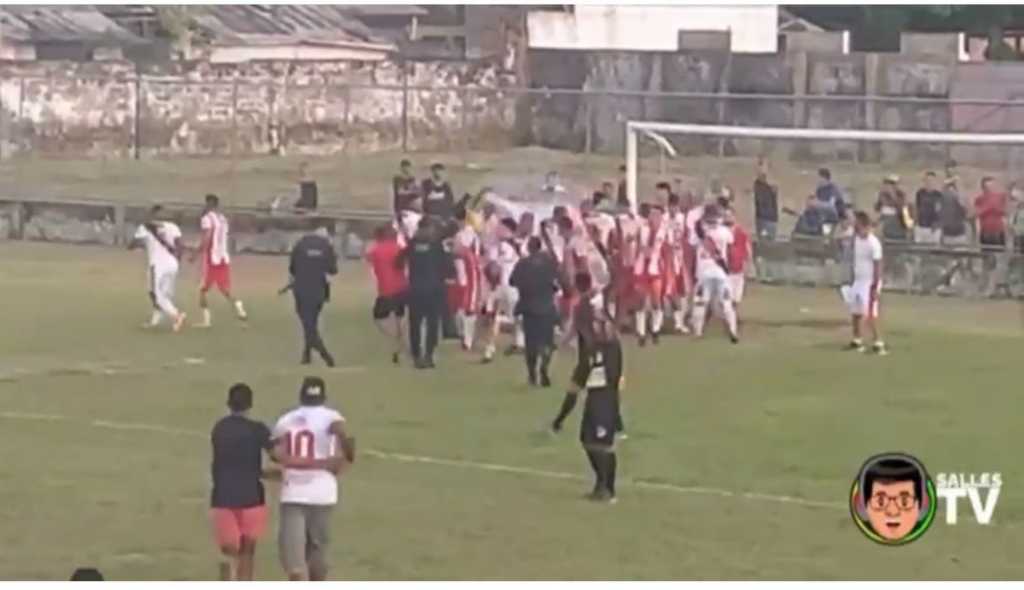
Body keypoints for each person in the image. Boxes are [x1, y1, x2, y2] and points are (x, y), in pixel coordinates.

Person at [551, 272, 624, 503]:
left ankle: (608, 490)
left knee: (602, 444)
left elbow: (612, 375)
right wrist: (559, 419)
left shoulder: (607, 350)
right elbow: (574, 388)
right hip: (598, 392)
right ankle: (601, 484)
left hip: (604, 394)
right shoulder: (593, 352)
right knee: (587, 439)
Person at [273, 377, 355, 582]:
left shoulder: (286, 419)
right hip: (323, 491)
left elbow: (275, 452)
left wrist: (294, 462)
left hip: (293, 491)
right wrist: (345, 458)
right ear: (323, 396)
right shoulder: (332, 417)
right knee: (318, 551)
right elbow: (345, 435)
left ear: (301, 395)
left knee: (294, 558)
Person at [210, 383, 276, 581]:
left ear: (229, 403)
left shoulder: (219, 428)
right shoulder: (257, 429)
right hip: (251, 497)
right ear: (250, 404)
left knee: (228, 554)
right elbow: (277, 455)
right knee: (247, 552)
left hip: (223, 497)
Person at [398, 218, 454, 369]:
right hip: (434, 289)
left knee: (415, 324)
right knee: (432, 324)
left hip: (415, 289)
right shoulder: (436, 245)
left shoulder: (412, 245)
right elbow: (447, 266)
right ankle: (429, 355)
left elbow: (398, 261)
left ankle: (417, 355)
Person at [510, 236, 560, 387]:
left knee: (531, 343)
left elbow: (512, 281)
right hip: (546, 307)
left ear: (530, 248)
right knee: (547, 342)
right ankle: (544, 368)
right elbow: (557, 280)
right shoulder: (549, 263)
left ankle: (532, 374)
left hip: (529, 308)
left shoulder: (523, 264)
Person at [130, 205, 187, 332]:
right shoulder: (172, 226)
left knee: (156, 294)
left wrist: (139, 242)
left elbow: (132, 244)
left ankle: (177, 315)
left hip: (157, 265)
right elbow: (180, 246)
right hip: (172, 264)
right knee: (162, 294)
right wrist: (177, 261)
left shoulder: (144, 227)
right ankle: (155, 321)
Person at [287, 226, 338, 367]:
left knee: (308, 325)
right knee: (311, 323)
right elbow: (333, 270)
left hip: (301, 290)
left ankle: (326, 356)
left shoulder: (300, 244)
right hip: (318, 291)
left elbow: (292, 268)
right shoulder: (327, 246)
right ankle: (307, 355)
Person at [196, 194, 247, 328]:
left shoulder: (207, 219)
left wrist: (197, 252)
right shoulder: (223, 219)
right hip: (223, 257)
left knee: (202, 289)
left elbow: (207, 236)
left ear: (209, 204)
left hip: (212, 258)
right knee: (224, 288)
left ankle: (206, 321)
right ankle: (238, 306)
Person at [689, 204, 739, 342]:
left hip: (704, 271)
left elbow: (692, 244)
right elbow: (730, 244)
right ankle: (733, 331)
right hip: (721, 272)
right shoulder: (724, 231)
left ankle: (698, 332)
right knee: (726, 303)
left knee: (700, 302)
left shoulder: (699, 232)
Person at [840, 211, 887, 355]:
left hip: (870, 282)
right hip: (858, 280)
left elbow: (878, 265)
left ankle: (878, 343)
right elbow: (842, 236)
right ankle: (857, 340)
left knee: (871, 313)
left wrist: (875, 286)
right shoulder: (856, 239)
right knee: (855, 312)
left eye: (858, 225)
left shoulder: (873, 243)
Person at [365, 224, 408, 365]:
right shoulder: (399, 248)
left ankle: (396, 339)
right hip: (402, 288)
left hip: (385, 290)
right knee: (400, 317)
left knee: (379, 318)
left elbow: (369, 261)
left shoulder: (375, 250)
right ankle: (400, 339)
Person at [633, 203, 669, 346]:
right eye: (652, 215)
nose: (654, 218)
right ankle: (641, 333)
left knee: (656, 300)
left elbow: (667, 250)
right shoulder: (642, 229)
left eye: (657, 215)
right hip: (641, 268)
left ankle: (655, 330)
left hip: (655, 268)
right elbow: (636, 245)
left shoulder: (664, 232)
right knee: (641, 301)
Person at [450, 209, 483, 352]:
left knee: (465, 308)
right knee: (465, 308)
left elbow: (459, 252)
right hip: (466, 275)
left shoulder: (464, 234)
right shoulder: (470, 234)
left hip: (466, 275)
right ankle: (466, 337)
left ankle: (466, 338)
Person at [724, 208, 752, 310]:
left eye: (729, 215)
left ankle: (732, 316)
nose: (727, 218)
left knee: (736, 298)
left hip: (739, 269)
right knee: (727, 297)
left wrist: (748, 266)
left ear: (734, 217)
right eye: (726, 216)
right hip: (726, 269)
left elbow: (748, 249)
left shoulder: (741, 232)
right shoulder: (722, 231)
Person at [975, 176, 1008, 249]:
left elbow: (1005, 210)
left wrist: (997, 209)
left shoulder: (1000, 196)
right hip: (985, 231)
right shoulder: (980, 198)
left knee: (999, 254)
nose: (991, 188)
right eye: (988, 186)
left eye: (993, 186)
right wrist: (989, 208)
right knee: (986, 254)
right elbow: (977, 213)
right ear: (983, 187)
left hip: (998, 230)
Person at [875, 175, 911, 241]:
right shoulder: (882, 197)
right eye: (887, 184)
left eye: (892, 184)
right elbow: (877, 213)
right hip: (887, 235)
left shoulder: (902, 196)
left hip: (900, 235)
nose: (889, 186)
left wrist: (893, 195)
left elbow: (904, 212)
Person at [913, 171, 943, 245]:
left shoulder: (938, 195)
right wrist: (915, 223)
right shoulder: (920, 193)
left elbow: (940, 211)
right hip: (921, 227)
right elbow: (917, 207)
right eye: (927, 180)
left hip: (933, 228)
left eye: (931, 180)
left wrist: (938, 224)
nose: (929, 183)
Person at [940, 176, 970, 246]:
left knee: (960, 255)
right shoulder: (944, 200)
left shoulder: (961, 199)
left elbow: (967, 212)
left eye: (953, 190)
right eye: (949, 190)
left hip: (959, 234)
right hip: (947, 234)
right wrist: (948, 182)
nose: (951, 193)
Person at [753, 166, 779, 241]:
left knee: (770, 240)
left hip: (772, 219)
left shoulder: (772, 187)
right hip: (763, 220)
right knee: (764, 240)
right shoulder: (758, 186)